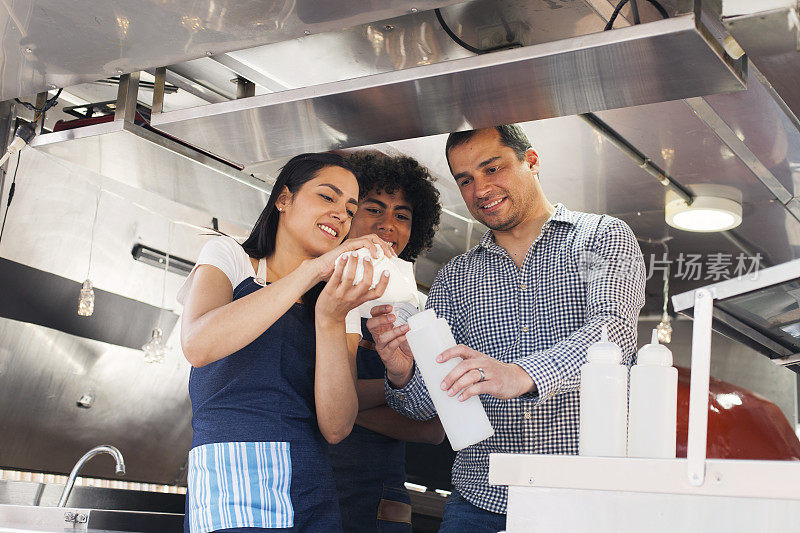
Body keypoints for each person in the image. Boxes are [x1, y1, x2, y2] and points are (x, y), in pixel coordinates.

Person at [367, 125, 646, 532]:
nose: (480, 189)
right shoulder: (454, 278)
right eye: (466, 179)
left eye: (492, 168)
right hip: (480, 500)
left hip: (583, 496)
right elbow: (425, 407)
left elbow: (613, 334)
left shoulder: (601, 237)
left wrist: (517, 374)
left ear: (531, 162)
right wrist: (401, 370)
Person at [177, 152, 396, 533]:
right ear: (283, 199)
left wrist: (329, 319)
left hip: (310, 479)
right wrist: (314, 270)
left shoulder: (340, 301)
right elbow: (198, 344)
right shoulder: (229, 257)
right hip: (232, 476)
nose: (341, 215)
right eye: (327, 197)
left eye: (349, 208)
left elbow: (337, 426)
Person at [328, 152, 443, 532]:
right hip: (309, 487)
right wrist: (402, 389)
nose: (387, 225)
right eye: (373, 208)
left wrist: (335, 407)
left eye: (402, 215)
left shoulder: (420, 312)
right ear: (345, 214)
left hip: (380, 500)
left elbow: (431, 429)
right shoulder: (312, 296)